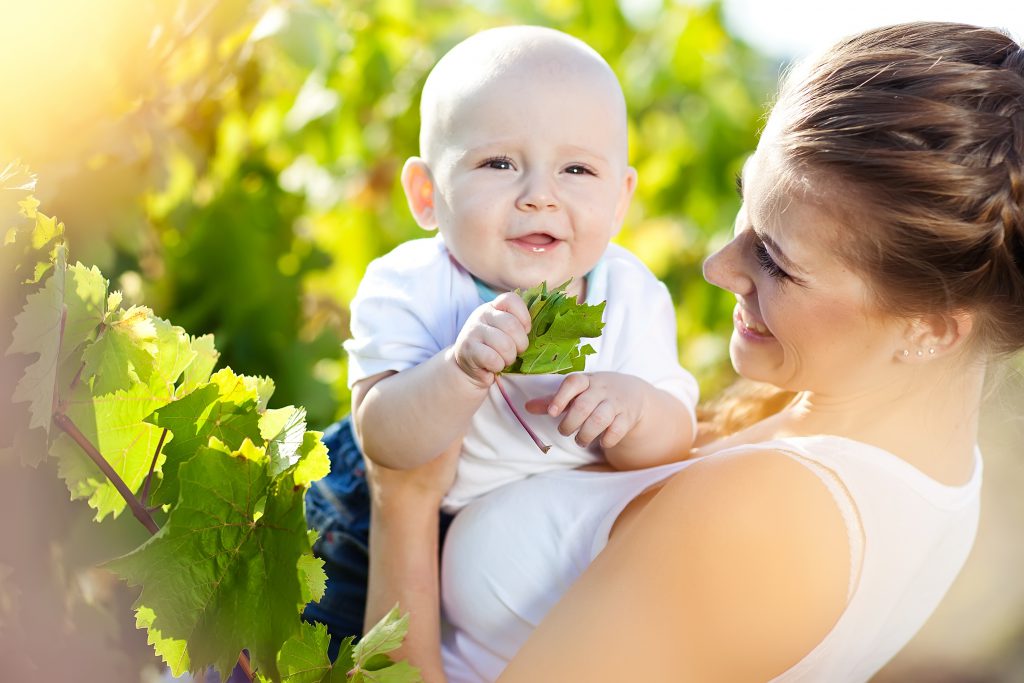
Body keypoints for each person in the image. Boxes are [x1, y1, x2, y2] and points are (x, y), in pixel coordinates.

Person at [362, 20, 1024, 682]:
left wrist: (403, 498)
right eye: (747, 211)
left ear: (931, 329)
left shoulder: (765, 522)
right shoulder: (921, 459)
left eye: (777, 261)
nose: (717, 267)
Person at [304, 25, 699, 642]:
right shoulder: (412, 283)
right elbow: (385, 438)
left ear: (621, 200)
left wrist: (635, 410)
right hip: (361, 524)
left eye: (576, 168)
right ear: (426, 194)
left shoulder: (631, 295)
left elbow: (675, 437)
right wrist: (457, 371)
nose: (539, 196)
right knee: (294, 657)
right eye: (499, 163)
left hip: (497, 543)